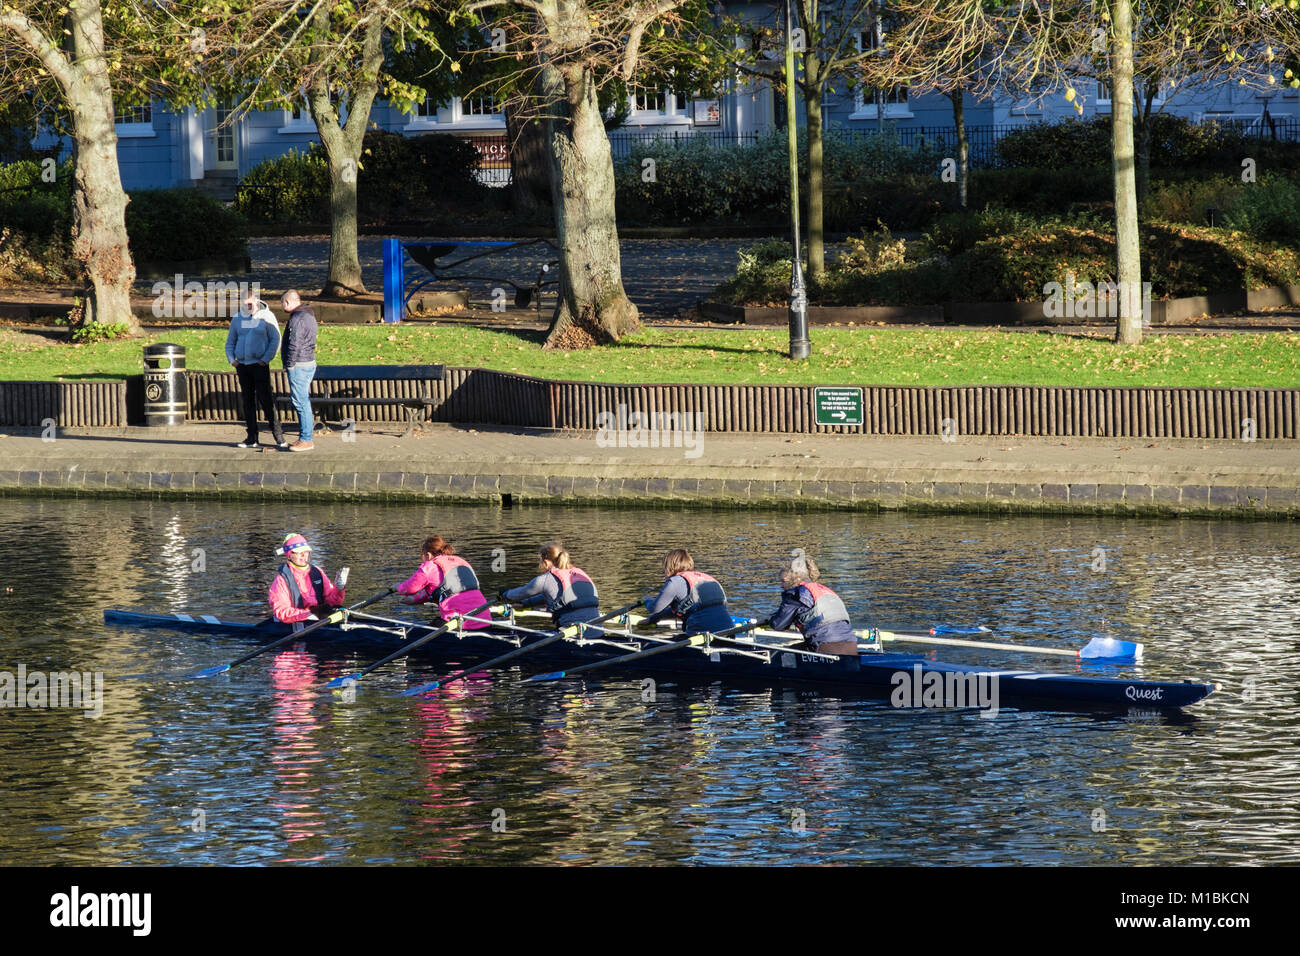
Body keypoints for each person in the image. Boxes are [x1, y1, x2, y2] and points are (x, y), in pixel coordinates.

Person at [764, 552, 858, 656]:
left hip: (826, 647)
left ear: (796, 578)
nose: (781, 586)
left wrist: (768, 620)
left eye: (783, 581)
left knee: (778, 655)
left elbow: (778, 624)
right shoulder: (824, 590)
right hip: (852, 646)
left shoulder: (795, 594)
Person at [226, 295, 287, 450]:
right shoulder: (237, 318)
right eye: (245, 304)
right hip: (242, 365)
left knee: (266, 399)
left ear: (257, 302)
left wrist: (266, 359)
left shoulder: (267, 317)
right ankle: (252, 437)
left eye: (250, 304)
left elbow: (275, 339)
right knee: (248, 401)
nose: (248, 307)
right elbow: (230, 341)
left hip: (259, 364)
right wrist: (232, 359)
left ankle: (278, 435)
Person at [396, 535, 491, 629]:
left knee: (427, 629)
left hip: (458, 623)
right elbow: (444, 590)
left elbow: (408, 589)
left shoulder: (430, 566)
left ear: (427, 555)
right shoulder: (460, 561)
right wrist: (415, 600)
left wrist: (398, 587)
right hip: (485, 620)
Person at [501, 542, 602, 629]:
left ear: (546, 562)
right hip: (597, 629)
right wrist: (526, 604)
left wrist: (504, 594)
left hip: (571, 633)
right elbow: (556, 596)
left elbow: (520, 593)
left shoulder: (545, 579)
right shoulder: (579, 573)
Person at [642, 548, 732, 636]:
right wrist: (653, 619)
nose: (663, 572)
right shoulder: (707, 578)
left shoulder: (674, 582)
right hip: (729, 632)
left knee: (648, 646)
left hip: (703, 636)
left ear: (669, 567)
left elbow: (654, 608)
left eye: (664, 568)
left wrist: (647, 600)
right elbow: (687, 609)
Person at [268, 533, 347, 631]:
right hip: (297, 626)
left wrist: (339, 589)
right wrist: (306, 615)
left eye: (306, 551)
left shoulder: (317, 572)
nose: (303, 555)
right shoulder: (281, 580)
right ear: (289, 555)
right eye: (298, 552)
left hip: (318, 620)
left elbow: (331, 602)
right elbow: (281, 612)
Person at [280, 289, 318, 452]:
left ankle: (306, 439)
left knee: (301, 402)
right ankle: (304, 437)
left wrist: (289, 364)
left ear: (287, 302)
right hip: (307, 361)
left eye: (282, 303)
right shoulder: (309, 315)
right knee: (302, 400)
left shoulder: (297, 318)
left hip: (299, 364)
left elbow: (294, 343)